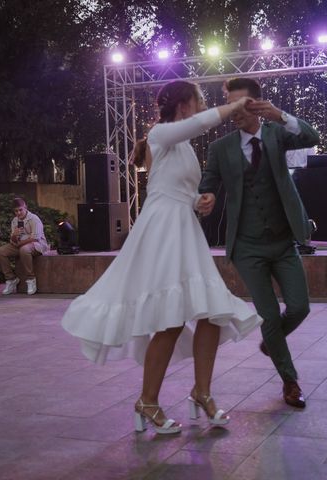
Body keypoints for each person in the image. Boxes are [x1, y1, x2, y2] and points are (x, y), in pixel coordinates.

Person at [61, 80, 262, 435]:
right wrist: (234, 107)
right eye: (199, 101)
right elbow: (198, 127)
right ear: (184, 104)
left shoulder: (181, 144)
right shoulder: (161, 133)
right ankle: (148, 401)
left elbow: (180, 190)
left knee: (212, 313)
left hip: (184, 228)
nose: (202, 107)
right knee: (169, 320)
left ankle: (202, 392)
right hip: (162, 232)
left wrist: (200, 201)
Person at [198, 77, 320, 409]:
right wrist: (206, 196)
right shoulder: (220, 148)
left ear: (256, 104)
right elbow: (208, 182)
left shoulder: (277, 134)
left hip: (282, 242)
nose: (234, 112)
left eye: (241, 104)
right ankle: (290, 381)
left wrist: (280, 115)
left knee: (299, 307)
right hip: (247, 246)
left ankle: (272, 341)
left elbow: (312, 136)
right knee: (268, 316)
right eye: (230, 104)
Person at [0, 197, 48, 295]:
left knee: (24, 250)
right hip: (20, 245)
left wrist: (18, 244)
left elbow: (35, 238)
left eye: (20, 210)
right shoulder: (15, 221)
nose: (18, 213)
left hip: (37, 245)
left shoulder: (34, 219)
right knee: (0, 251)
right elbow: (13, 241)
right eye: (16, 211)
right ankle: (11, 279)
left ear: (25, 208)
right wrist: (14, 235)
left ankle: (31, 279)